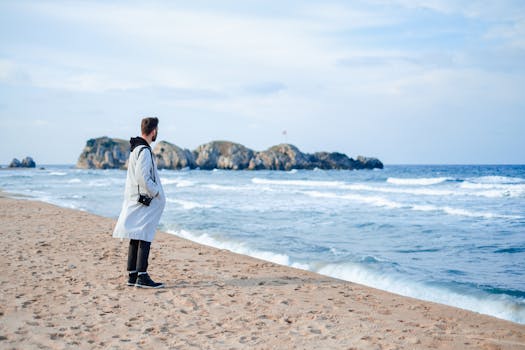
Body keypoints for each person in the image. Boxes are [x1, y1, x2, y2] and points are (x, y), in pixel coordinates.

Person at [113, 117, 166, 288]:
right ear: (154, 131)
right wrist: (156, 192)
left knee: (136, 235)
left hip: (136, 199)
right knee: (144, 235)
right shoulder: (144, 150)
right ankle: (142, 276)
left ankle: (132, 275)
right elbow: (142, 177)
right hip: (143, 200)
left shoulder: (136, 149)